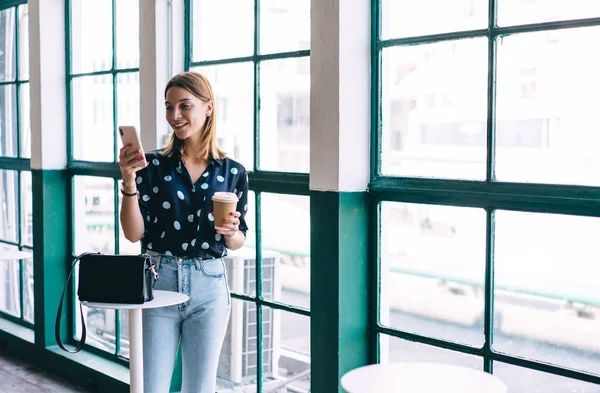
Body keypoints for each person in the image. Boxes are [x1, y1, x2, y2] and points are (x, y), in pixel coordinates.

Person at [118, 71, 248, 393]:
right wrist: (129, 181)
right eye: (169, 107)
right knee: (150, 387)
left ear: (208, 108)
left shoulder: (233, 172)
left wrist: (231, 232)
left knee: (199, 389)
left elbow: (239, 238)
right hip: (158, 280)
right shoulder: (151, 166)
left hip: (210, 286)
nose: (174, 116)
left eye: (184, 106)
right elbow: (134, 235)